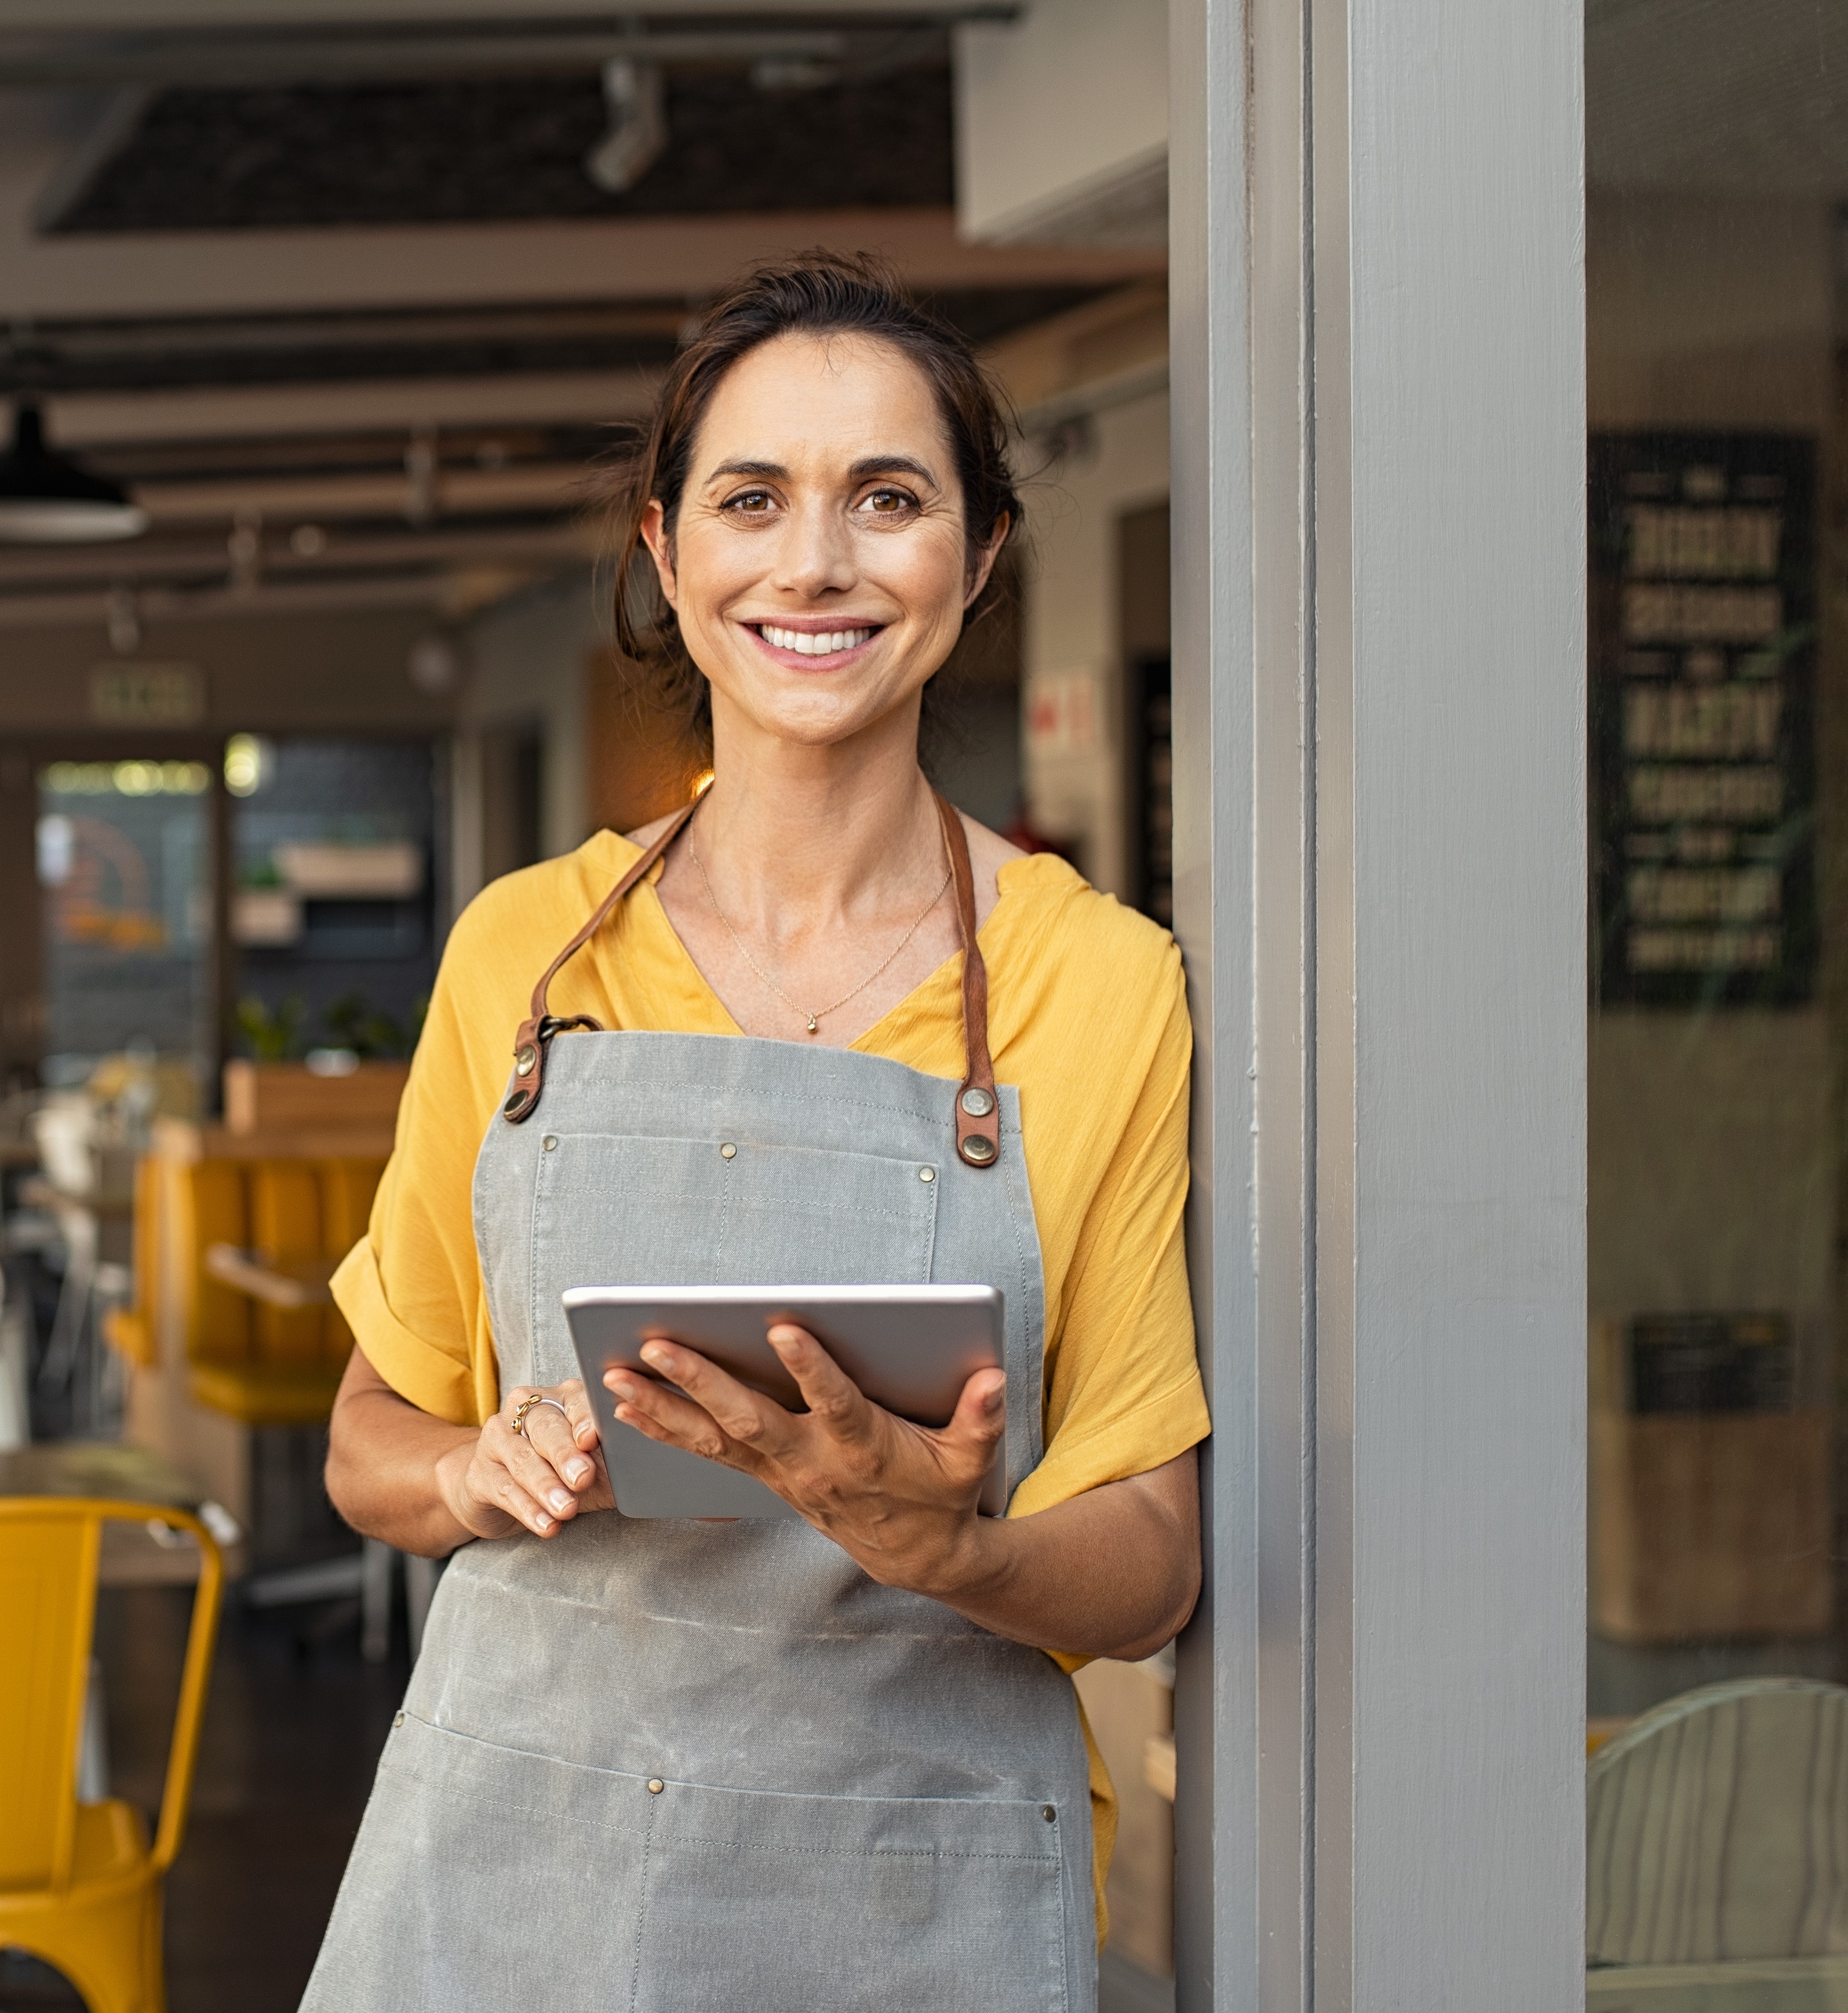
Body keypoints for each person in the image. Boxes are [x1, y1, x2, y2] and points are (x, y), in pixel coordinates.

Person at [304, 253, 1208, 2009]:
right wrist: (466, 1472)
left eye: (889, 498)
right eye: (752, 499)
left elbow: (1154, 1560)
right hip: (522, 1868)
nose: (815, 563)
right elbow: (368, 1434)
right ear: (667, 550)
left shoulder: (1097, 984)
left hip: (902, 1892)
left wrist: (950, 1544)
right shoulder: (527, 954)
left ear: (982, 554)